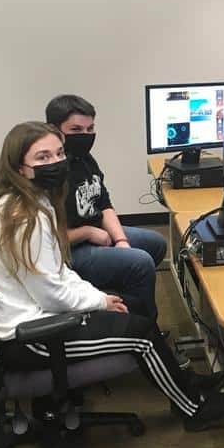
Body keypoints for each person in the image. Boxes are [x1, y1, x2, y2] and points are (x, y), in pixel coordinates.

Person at [0, 121, 224, 431]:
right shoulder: (22, 218)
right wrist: (99, 302)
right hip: (32, 336)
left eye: (58, 153)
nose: (55, 162)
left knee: (135, 306)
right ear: (20, 167)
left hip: (37, 312)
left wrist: (99, 298)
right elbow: (50, 292)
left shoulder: (29, 200)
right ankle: (193, 411)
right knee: (142, 337)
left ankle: (185, 381)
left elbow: (57, 271)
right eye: (42, 157)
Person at [45, 95, 166, 323]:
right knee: (140, 263)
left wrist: (121, 241)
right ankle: (144, 326)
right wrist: (88, 233)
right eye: (76, 129)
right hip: (68, 251)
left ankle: (125, 303)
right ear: (55, 129)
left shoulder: (85, 159)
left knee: (156, 244)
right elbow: (47, 239)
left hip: (96, 233)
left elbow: (104, 204)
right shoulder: (52, 172)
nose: (86, 135)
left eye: (90, 128)